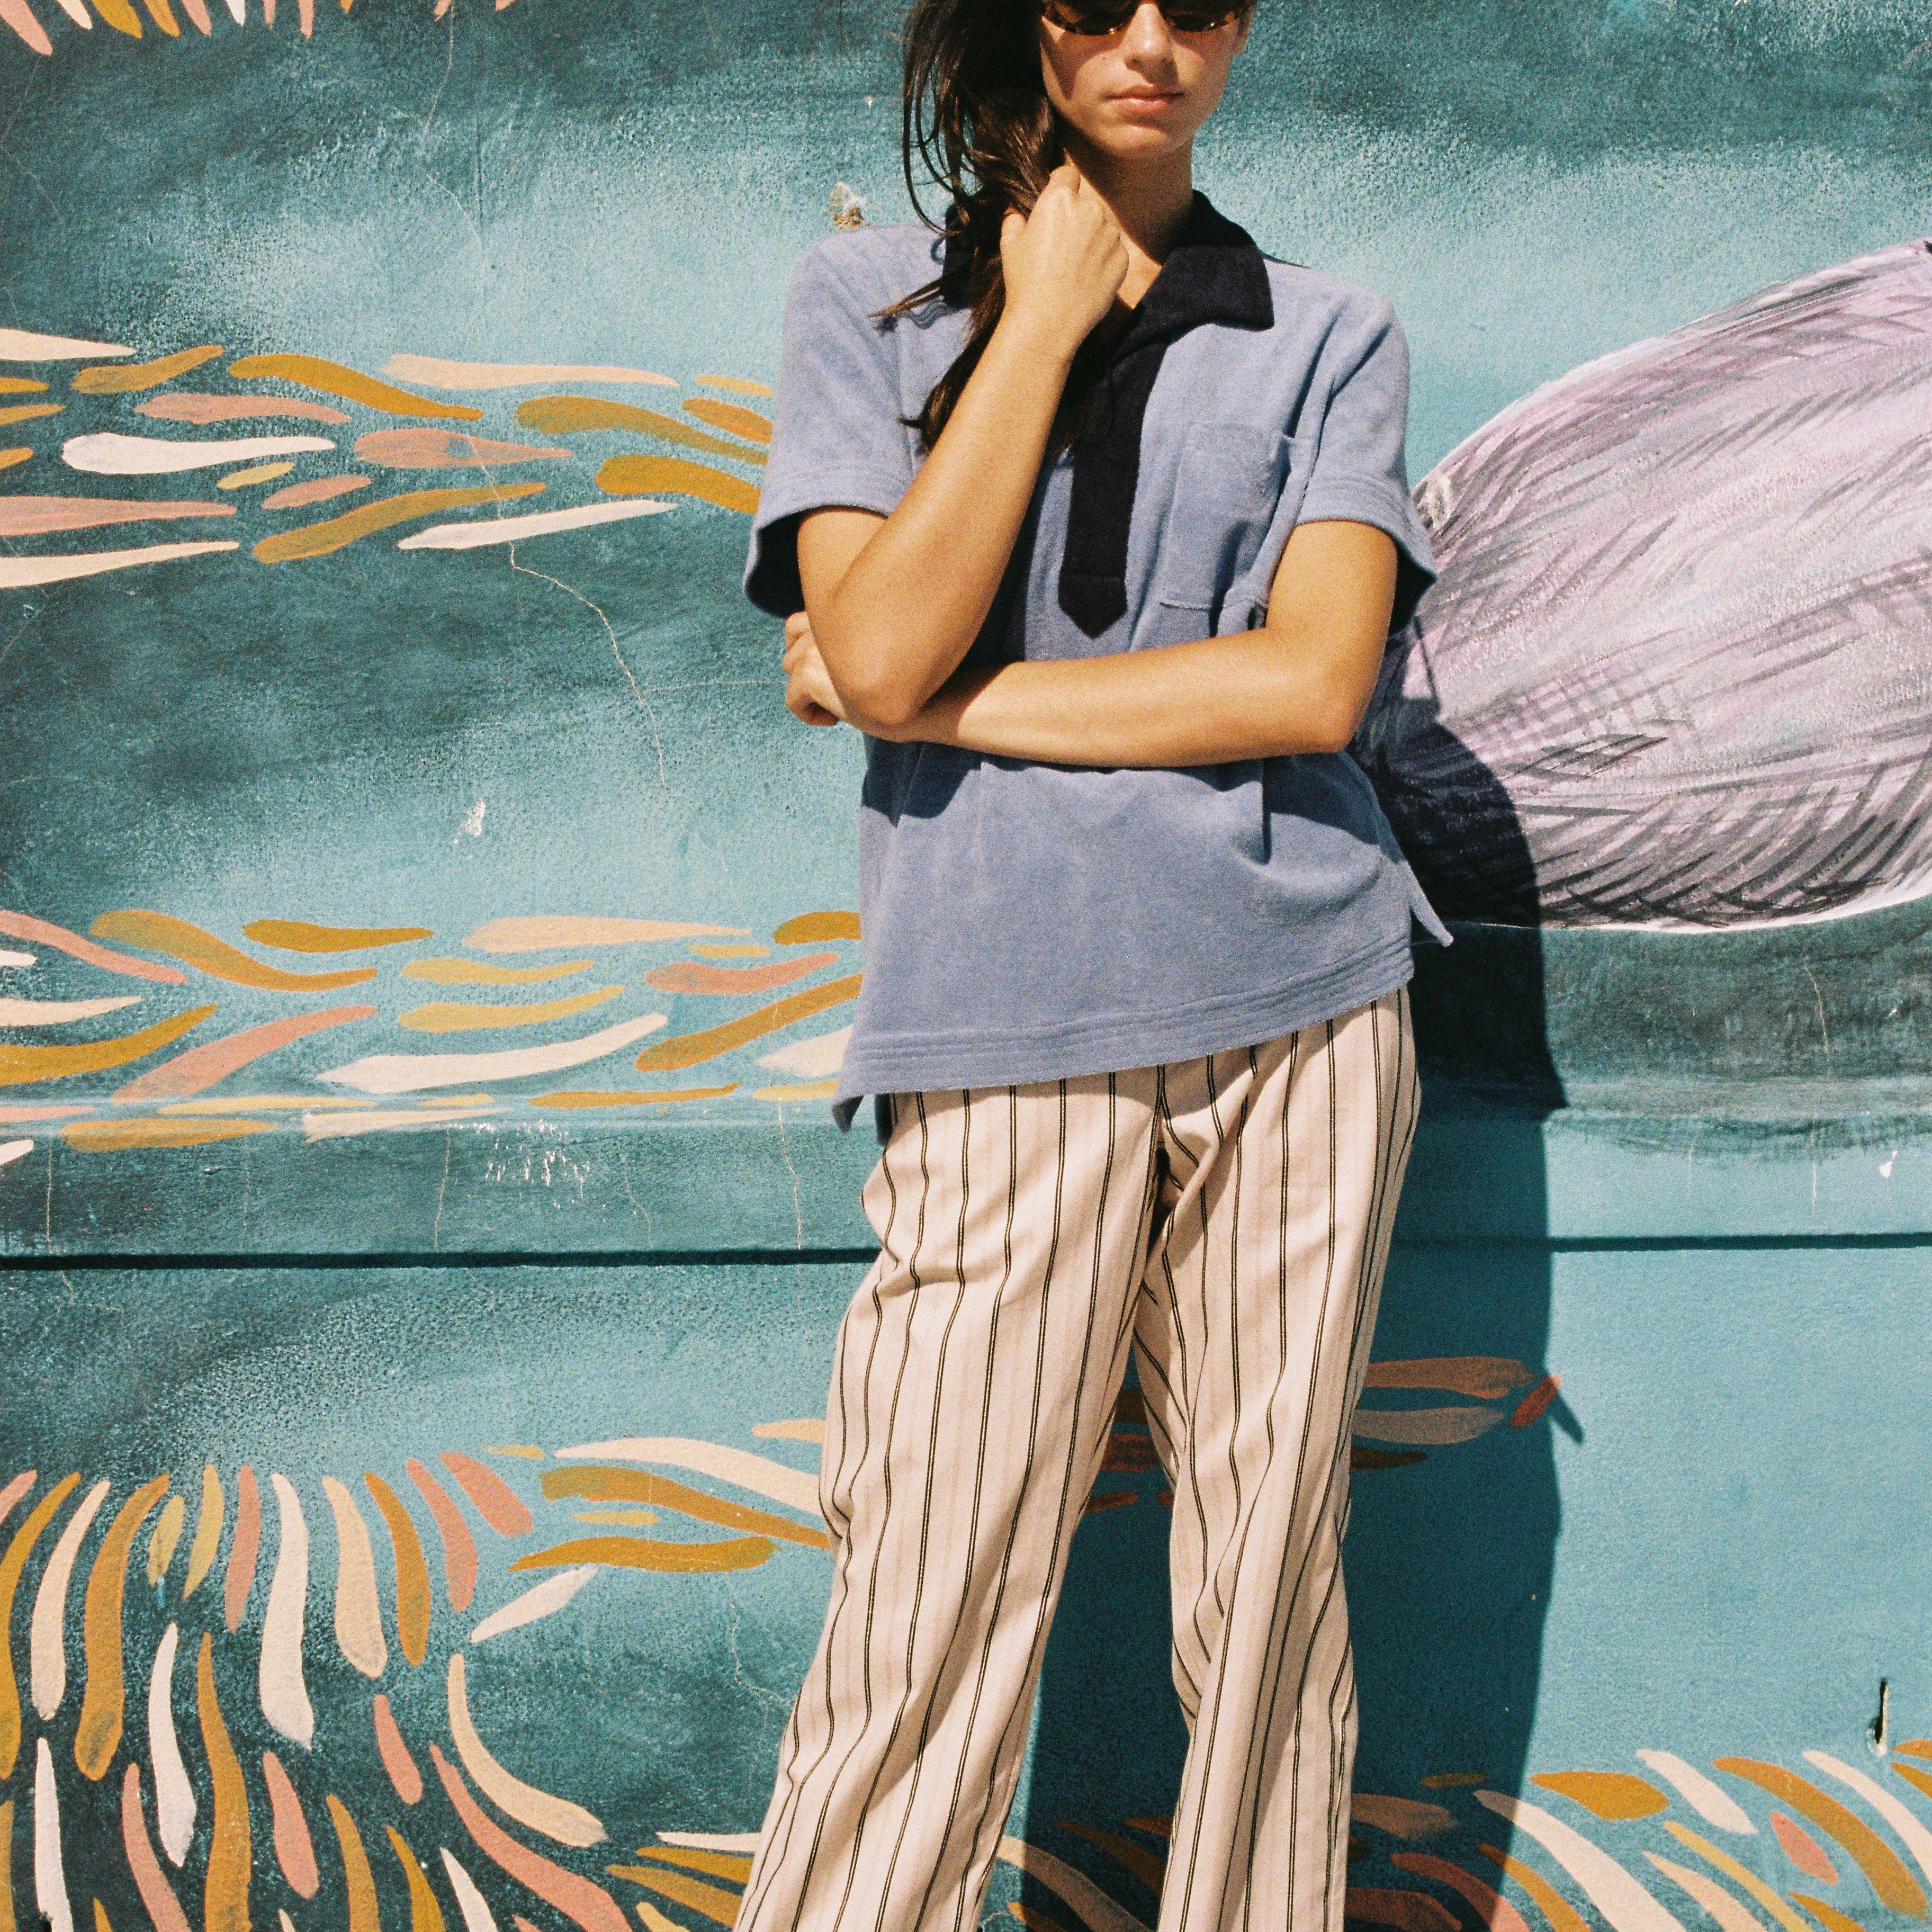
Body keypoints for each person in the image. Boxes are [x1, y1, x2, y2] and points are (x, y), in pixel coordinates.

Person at [738, 1, 1449, 1927]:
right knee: (924, 1609)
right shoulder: (867, 304)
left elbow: (1307, 681)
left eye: (1198, 1)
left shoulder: (1329, 331)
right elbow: (870, 644)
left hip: (1302, 1005)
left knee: (1266, 1615)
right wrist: (1039, 319)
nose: (1150, 40)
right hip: (995, 1022)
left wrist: (953, 704)